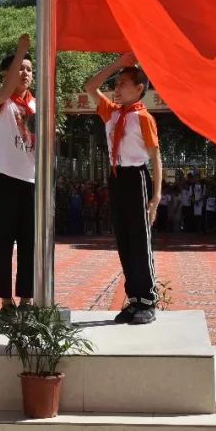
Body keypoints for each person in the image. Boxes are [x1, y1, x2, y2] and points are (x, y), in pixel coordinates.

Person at [86, 52, 162, 325]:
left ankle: (148, 299)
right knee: (124, 240)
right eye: (116, 84)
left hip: (137, 177)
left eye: (123, 83)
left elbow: (155, 157)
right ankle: (134, 300)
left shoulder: (144, 118)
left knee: (140, 240)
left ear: (139, 89)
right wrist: (117, 65)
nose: (117, 88)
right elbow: (90, 87)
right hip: (116, 177)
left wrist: (156, 196)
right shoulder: (111, 112)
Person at [0, 34, 36, 310]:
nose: (25, 73)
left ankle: (27, 298)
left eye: (29, 69)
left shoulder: (36, 105)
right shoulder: (0, 101)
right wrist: (20, 51)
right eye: (20, 68)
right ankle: (6, 300)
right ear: (6, 73)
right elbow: (6, 91)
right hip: (5, 178)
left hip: (30, 181)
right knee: (4, 241)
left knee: (29, 242)